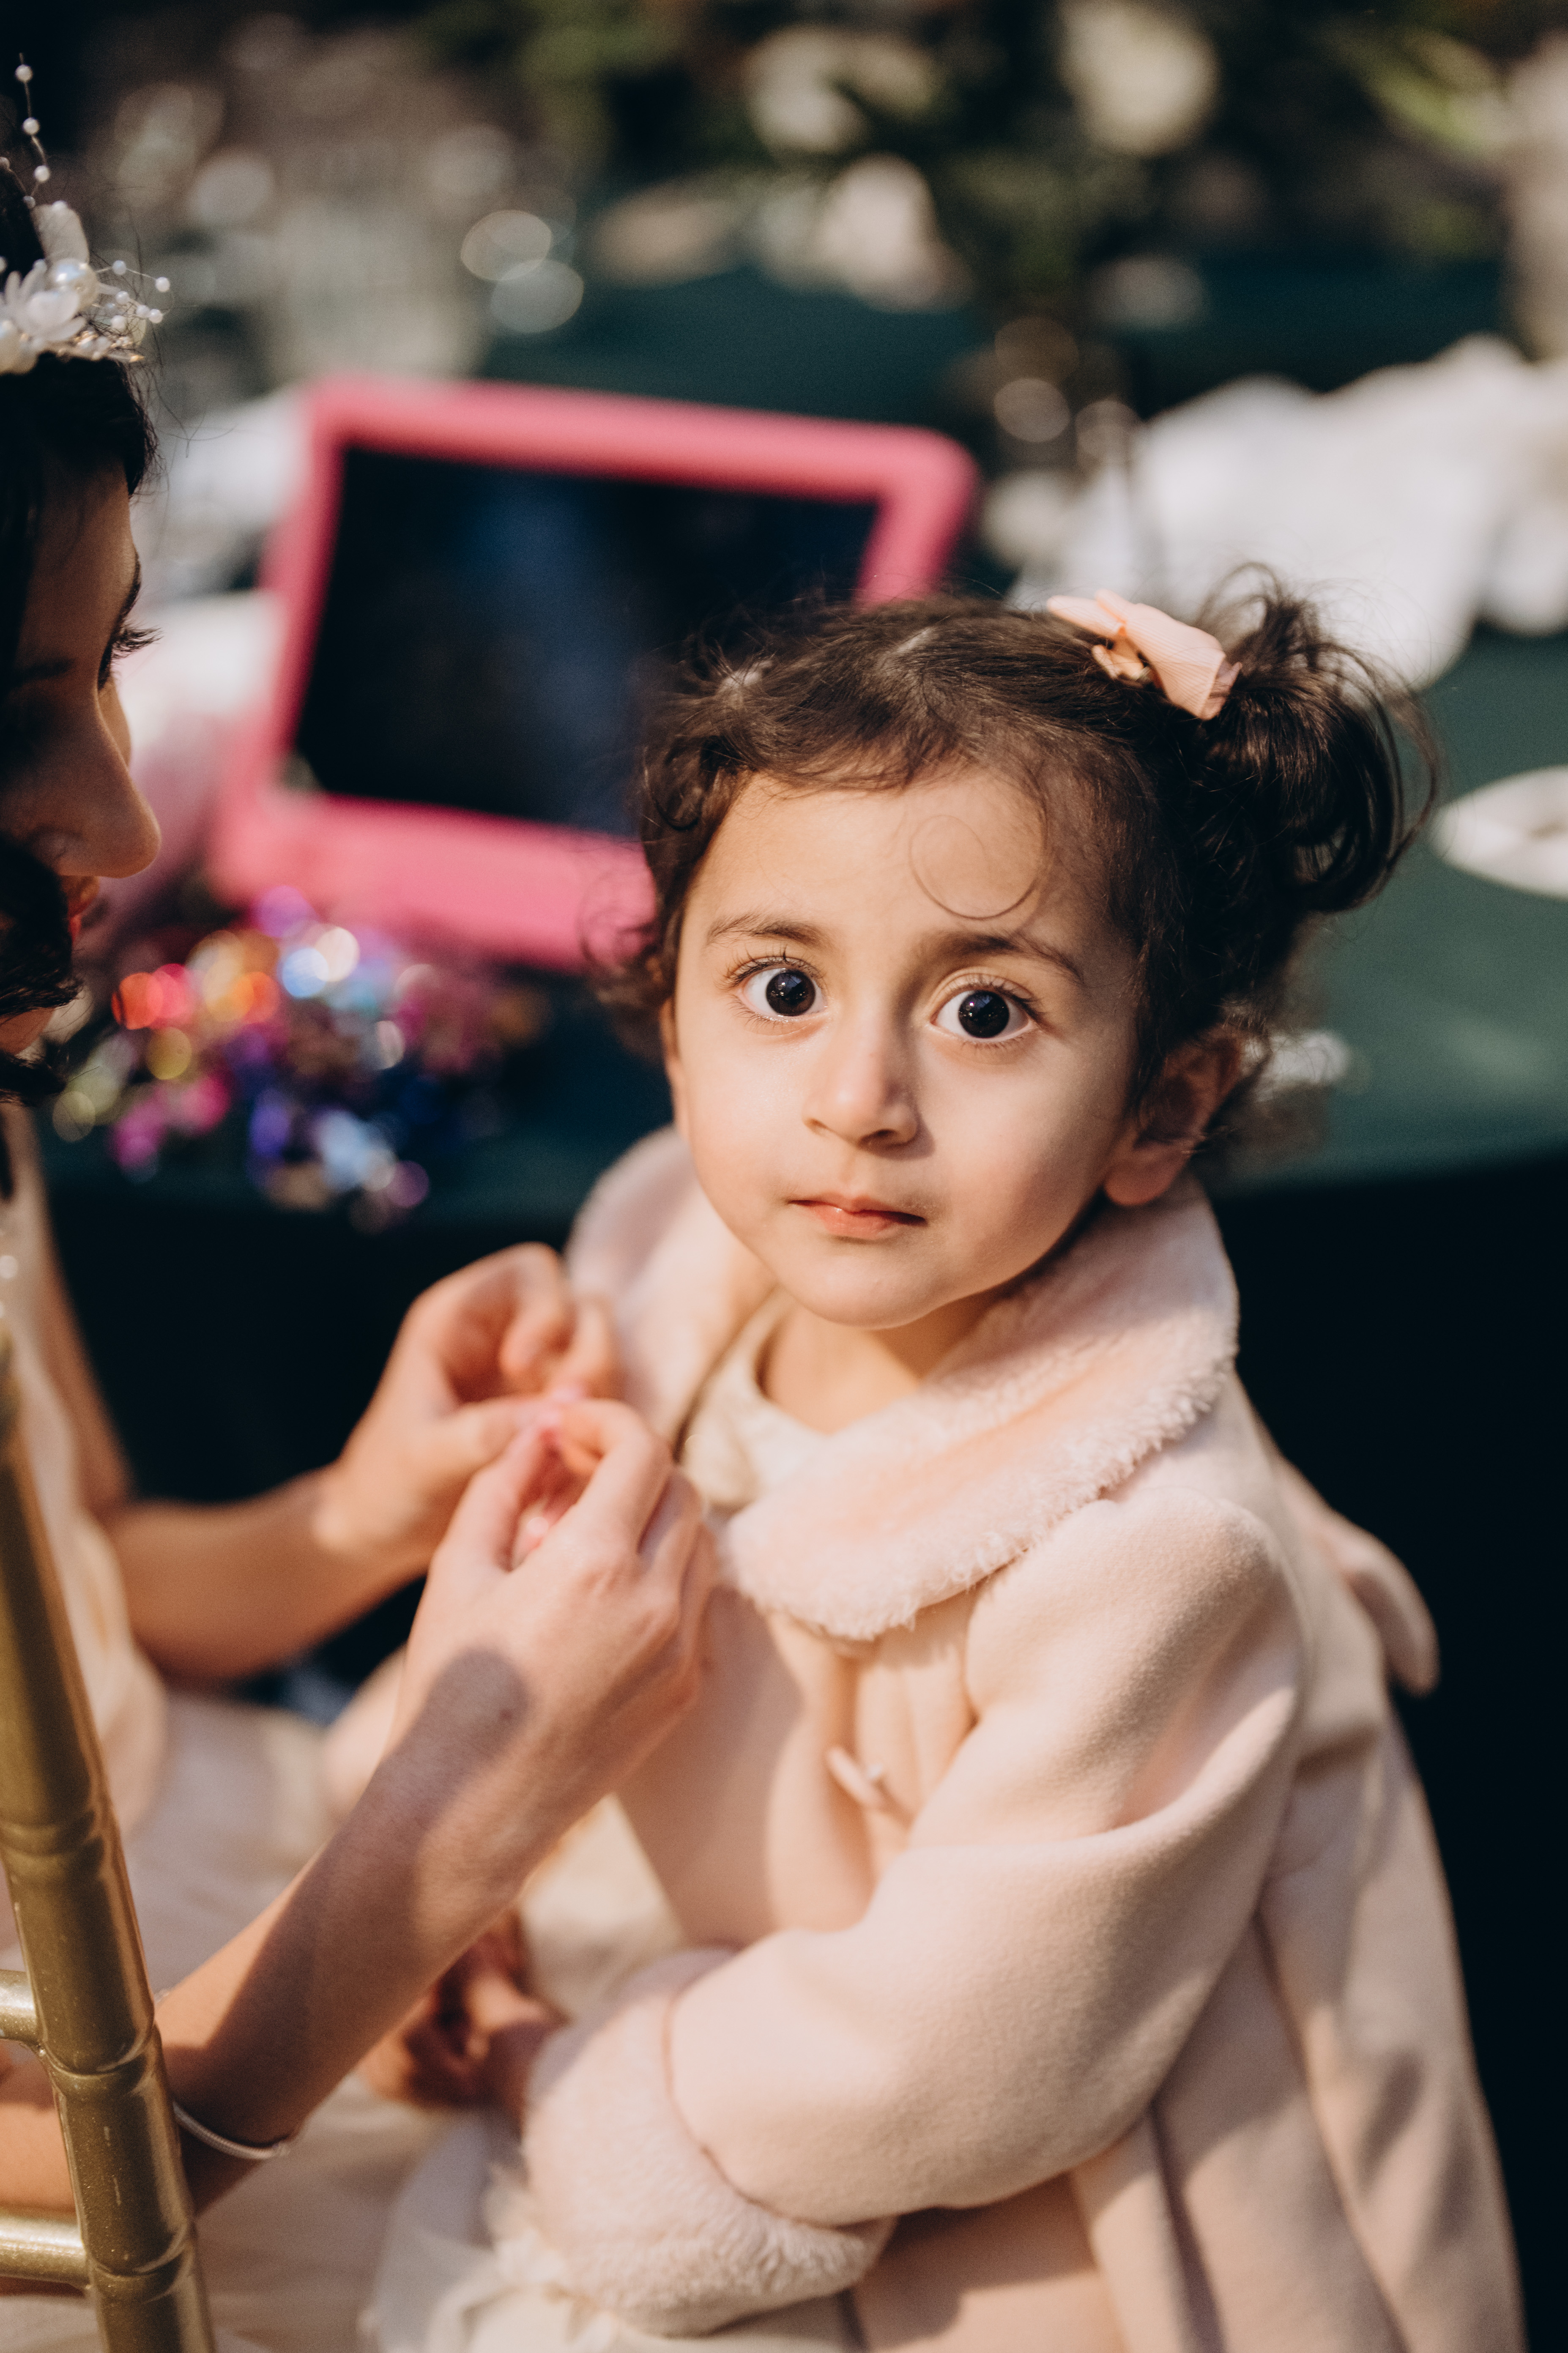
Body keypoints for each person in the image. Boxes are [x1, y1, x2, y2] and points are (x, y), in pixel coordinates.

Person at [366, 590, 1524, 2351]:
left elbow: (972, 2057)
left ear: (1161, 1106)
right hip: (690, 2010)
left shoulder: (1148, 1556)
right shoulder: (666, 1275)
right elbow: (531, 1639)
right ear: (670, 1011)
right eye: (781, 988)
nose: (859, 1097)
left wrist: (565, 2081)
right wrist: (449, 1887)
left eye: (985, 1012)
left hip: (1027, 2221)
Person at [0, 155, 708, 2353]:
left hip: (203, 1880)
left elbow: (98, 1587)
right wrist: (450, 1825)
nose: (127, 821)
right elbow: (64, 2192)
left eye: (113, 663)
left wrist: (368, 1511)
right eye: (10, 717)